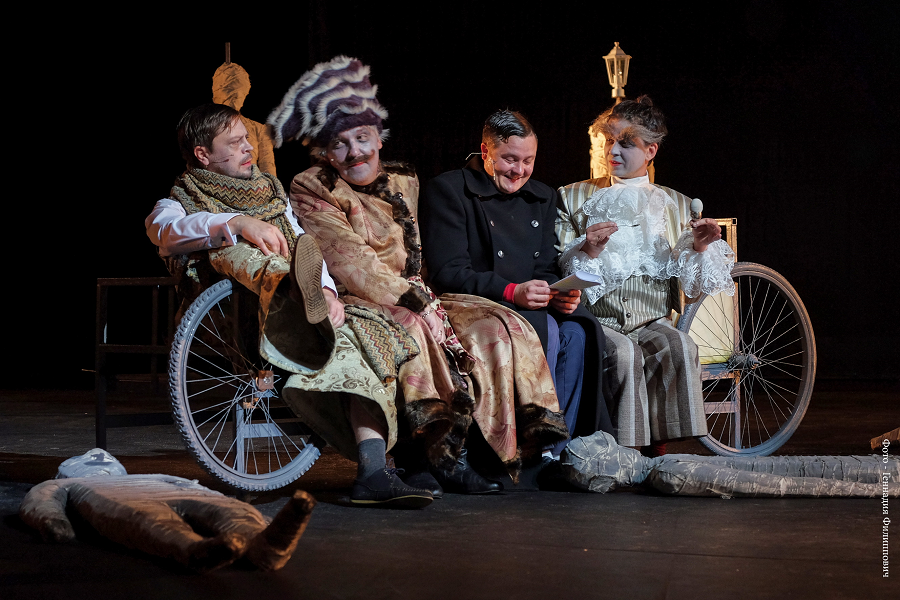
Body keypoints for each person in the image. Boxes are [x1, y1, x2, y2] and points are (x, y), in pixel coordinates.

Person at [268, 56, 567, 492]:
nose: (355, 152)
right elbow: (352, 262)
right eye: (340, 144)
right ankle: (440, 454)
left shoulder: (404, 180)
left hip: (421, 292)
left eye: (362, 138)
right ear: (325, 151)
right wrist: (418, 303)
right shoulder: (313, 186)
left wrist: (430, 299)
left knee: (498, 326)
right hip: (365, 297)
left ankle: (502, 454)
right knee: (412, 327)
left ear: (379, 138)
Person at [146, 103, 433, 507]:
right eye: (235, 143)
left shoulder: (273, 196)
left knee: (361, 338)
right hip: (237, 322)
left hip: (305, 316)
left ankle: (373, 472)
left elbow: (304, 247)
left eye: (247, 139)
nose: (249, 148)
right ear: (203, 154)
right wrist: (236, 224)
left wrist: (328, 292)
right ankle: (290, 287)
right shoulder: (183, 199)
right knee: (235, 250)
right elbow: (162, 230)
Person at [419, 109, 614, 464]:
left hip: (527, 302)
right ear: (486, 151)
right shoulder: (449, 190)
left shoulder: (542, 196)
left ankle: (562, 448)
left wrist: (558, 292)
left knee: (579, 330)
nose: (519, 171)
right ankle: (526, 448)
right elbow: (449, 271)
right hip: (474, 300)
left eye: (528, 161)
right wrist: (512, 291)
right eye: (509, 159)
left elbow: (544, 267)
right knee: (545, 329)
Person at [555, 96, 735, 454]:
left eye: (626, 143)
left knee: (679, 345)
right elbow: (560, 266)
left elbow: (693, 290)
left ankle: (658, 450)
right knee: (624, 354)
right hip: (596, 320)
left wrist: (699, 248)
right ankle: (624, 452)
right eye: (610, 140)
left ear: (651, 150)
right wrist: (588, 250)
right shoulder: (573, 197)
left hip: (651, 319)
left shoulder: (676, 204)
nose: (613, 151)